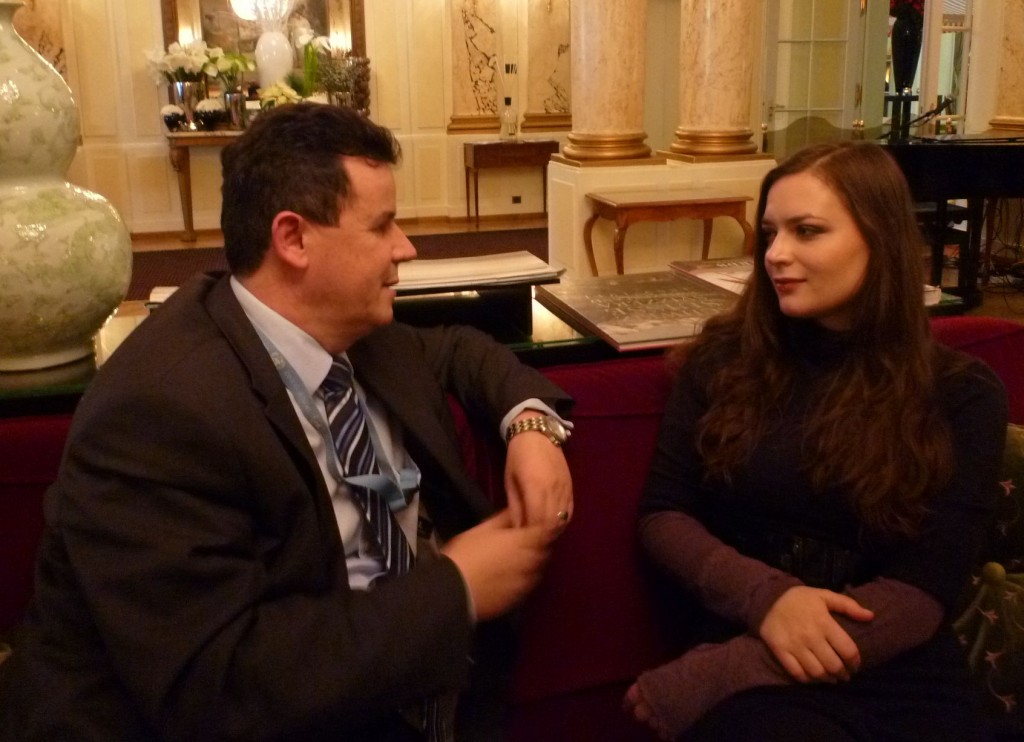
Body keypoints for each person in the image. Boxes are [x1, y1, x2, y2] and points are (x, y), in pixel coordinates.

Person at [0, 103, 574, 741]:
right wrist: (457, 588)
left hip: (413, 693)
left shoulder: (350, 327)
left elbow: (457, 350)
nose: (406, 247)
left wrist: (530, 427)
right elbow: (221, 687)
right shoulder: (156, 414)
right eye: (381, 226)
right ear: (293, 239)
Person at [623, 141, 1008, 741]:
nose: (776, 254)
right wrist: (769, 599)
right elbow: (663, 517)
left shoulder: (962, 393)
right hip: (749, 638)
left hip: (893, 663)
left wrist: (726, 671)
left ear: (880, 239)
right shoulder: (722, 361)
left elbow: (923, 590)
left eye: (807, 231)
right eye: (770, 234)